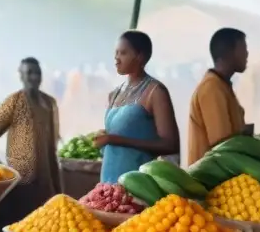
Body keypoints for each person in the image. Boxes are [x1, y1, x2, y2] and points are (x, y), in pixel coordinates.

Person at [0, 57, 62, 228]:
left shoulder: (49, 103)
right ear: (20, 76)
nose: (33, 77)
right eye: (28, 73)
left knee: (45, 226)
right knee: (20, 225)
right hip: (22, 179)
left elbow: (53, 141)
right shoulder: (14, 101)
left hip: (46, 177)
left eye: (37, 72)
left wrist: (57, 181)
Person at [95, 31, 180, 183]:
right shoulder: (114, 94)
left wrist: (114, 139)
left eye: (123, 53)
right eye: (116, 53)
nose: (116, 58)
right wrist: (105, 137)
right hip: (108, 183)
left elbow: (170, 144)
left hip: (139, 186)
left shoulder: (155, 92)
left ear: (139, 56)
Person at [188, 28, 249, 165]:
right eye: (243, 48)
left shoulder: (222, 84)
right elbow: (222, 144)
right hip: (208, 180)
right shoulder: (211, 87)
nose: (247, 53)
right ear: (229, 53)